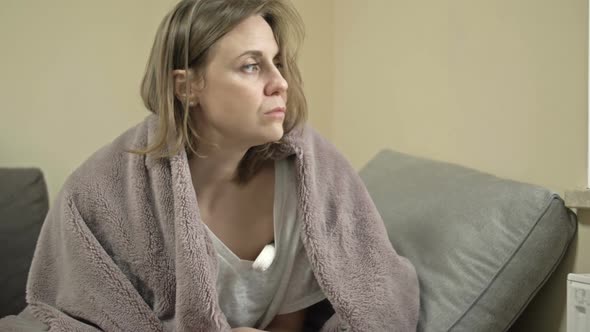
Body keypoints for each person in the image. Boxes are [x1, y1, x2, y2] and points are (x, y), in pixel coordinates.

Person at [6, 0, 420, 331]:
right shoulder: (102, 191)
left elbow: (314, 314)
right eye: (252, 65)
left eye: (277, 62)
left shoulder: (307, 178)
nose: (280, 82)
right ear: (187, 86)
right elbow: (71, 314)